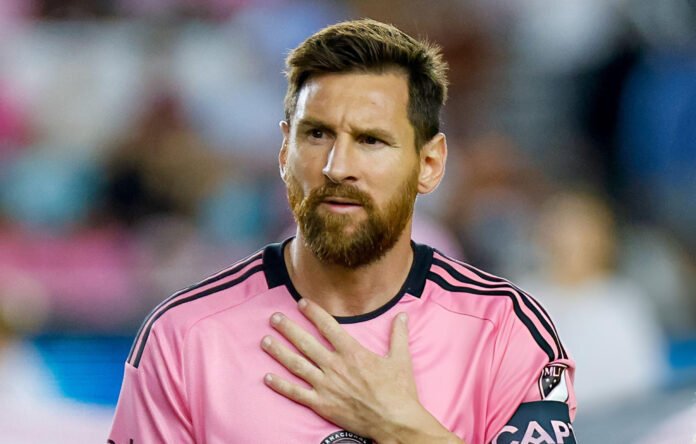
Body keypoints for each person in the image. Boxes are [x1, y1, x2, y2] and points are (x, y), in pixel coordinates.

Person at [108, 19, 577, 444]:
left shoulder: (503, 330)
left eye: (371, 140)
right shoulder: (184, 338)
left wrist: (402, 428)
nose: (337, 166)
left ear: (430, 164)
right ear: (284, 153)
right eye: (317, 134)